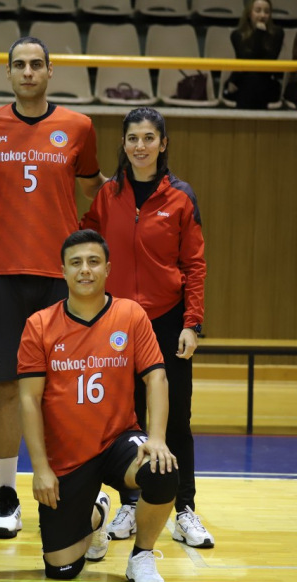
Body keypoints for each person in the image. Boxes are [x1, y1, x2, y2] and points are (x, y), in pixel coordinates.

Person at [0, 35, 105, 539]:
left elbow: (93, 188)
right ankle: (6, 497)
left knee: (63, 389)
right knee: (5, 389)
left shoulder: (78, 126)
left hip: (59, 277)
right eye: (19, 65)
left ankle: (79, 487)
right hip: (3, 274)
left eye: (36, 64)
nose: (28, 72)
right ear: (8, 73)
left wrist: (84, 243)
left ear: (50, 72)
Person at [18, 229, 178, 582]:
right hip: (66, 458)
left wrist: (156, 439)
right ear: (63, 271)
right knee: (62, 571)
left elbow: (156, 378)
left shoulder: (130, 314)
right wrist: (40, 468)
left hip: (118, 441)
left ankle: (142, 556)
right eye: (76, 263)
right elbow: (28, 400)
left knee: (162, 469)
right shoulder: (39, 325)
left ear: (108, 268)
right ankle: (97, 512)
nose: (85, 270)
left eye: (93, 262)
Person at [81, 108, 211, 548]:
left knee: (176, 418)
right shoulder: (108, 195)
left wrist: (192, 323)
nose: (140, 146)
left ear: (163, 143)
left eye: (149, 138)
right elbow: (86, 242)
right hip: (117, 321)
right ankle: (131, 503)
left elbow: (194, 265)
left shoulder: (181, 196)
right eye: (133, 138)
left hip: (168, 321)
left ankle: (185, 508)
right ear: (123, 143)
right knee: (126, 419)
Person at [226, 0, 285, 109]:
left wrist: (259, 34)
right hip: (244, 80)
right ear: (249, 13)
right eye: (258, 11)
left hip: (266, 81)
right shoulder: (237, 35)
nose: (262, 15)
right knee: (251, 81)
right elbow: (245, 62)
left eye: (266, 12)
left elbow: (267, 63)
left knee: (255, 80)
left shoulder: (277, 33)